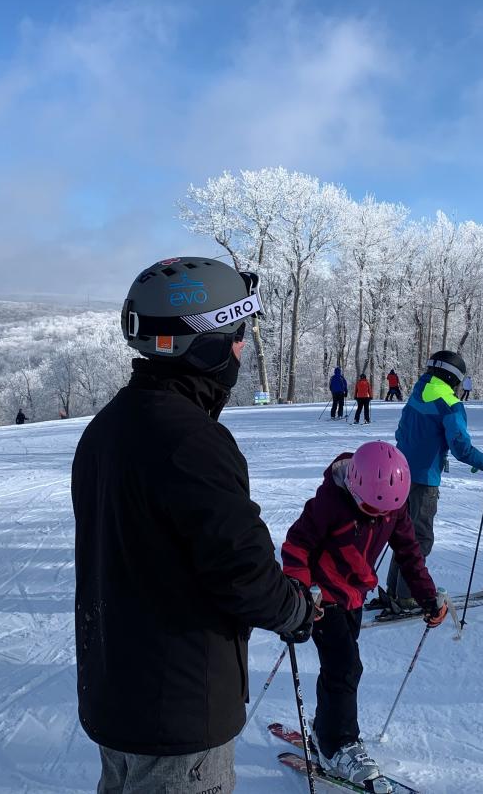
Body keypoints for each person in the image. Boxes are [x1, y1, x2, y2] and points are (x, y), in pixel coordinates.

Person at [72, 257, 314, 794]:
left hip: (118, 695)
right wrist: (296, 609)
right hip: (177, 712)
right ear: (198, 343)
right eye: (235, 335)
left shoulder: (108, 427)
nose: (240, 349)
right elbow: (242, 572)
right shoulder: (192, 442)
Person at [282, 442, 447, 789]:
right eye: (370, 508)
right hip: (321, 598)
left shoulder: (394, 508)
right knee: (346, 665)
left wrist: (427, 595)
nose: (376, 516)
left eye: (384, 511)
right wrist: (298, 593)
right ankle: (338, 743)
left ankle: (325, 729)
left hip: (354, 594)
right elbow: (296, 546)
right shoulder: (330, 502)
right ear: (355, 486)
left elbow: (409, 552)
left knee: (338, 667)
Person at [378, 350, 483, 611]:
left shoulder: (416, 392)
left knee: (402, 533)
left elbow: (401, 431)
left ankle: (394, 590)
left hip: (398, 476)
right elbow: (460, 448)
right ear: (453, 377)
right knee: (419, 538)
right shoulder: (449, 403)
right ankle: (406, 595)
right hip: (424, 480)